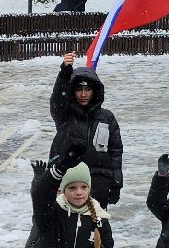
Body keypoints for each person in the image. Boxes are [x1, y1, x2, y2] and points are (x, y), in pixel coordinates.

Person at [51, 53, 124, 206]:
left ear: (95, 91)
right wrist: (65, 72)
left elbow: (115, 152)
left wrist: (116, 183)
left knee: (99, 227)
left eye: (88, 90)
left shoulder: (107, 117)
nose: (83, 94)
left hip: (99, 184)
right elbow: (58, 98)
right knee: (68, 228)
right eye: (79, 90)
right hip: (69, 183)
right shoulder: (65, 116)